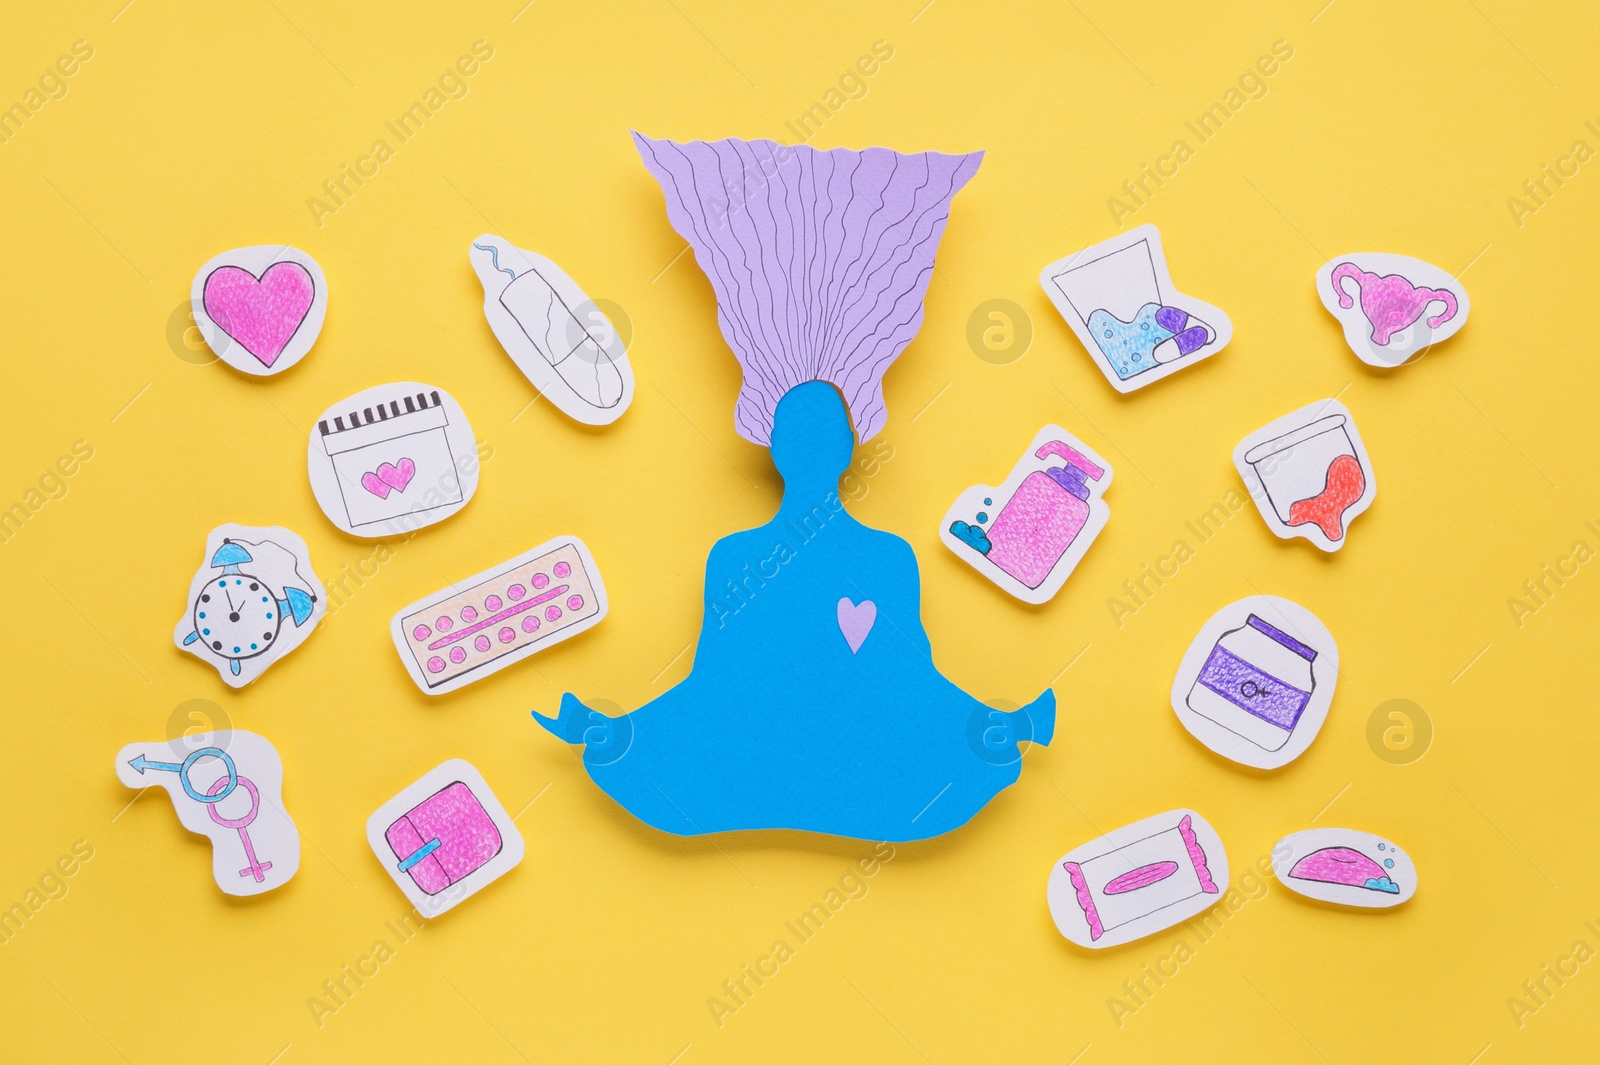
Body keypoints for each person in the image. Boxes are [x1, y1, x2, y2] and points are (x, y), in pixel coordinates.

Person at [535, 381, 1053, 841]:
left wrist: (623, 735)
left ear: (776, 449)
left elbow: (715, 685)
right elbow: (908, 680)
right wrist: (987, 726)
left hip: (754, 774)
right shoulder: (885, 555)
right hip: (864, 781)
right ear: (848, 449)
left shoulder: (739, 556)